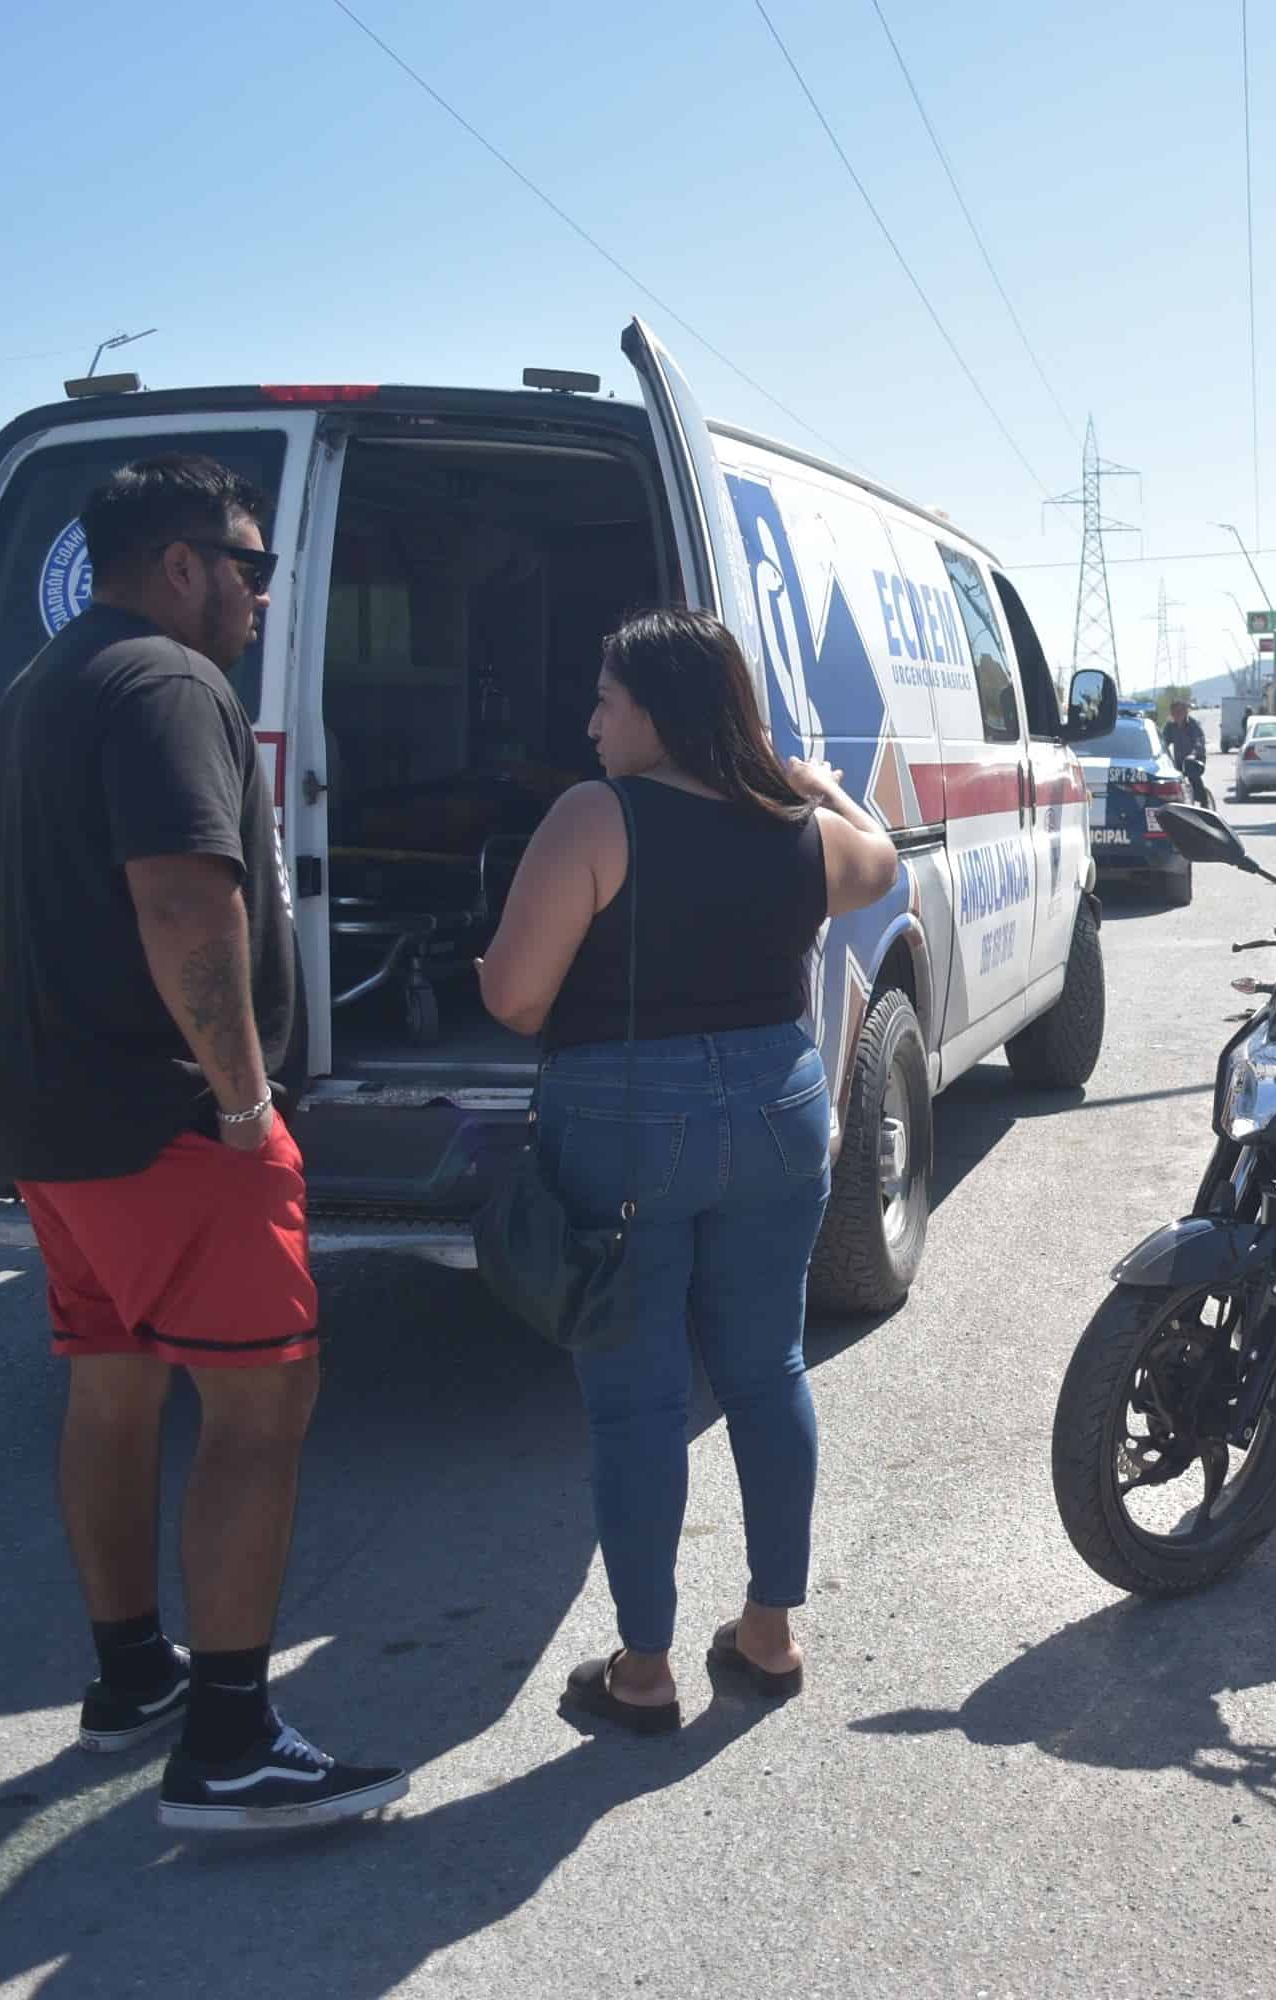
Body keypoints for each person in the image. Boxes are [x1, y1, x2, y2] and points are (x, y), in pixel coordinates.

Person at [0, 454, 405, 1831]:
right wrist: (241, 1100)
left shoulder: (44, 685)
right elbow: (182, 906)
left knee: (110, 1391)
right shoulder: (166, 684)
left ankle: (131, 1678)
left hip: (49, 1122)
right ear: (181, 567)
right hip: (166, 1124)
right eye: (253, 567)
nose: (266, 595)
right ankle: (227, 1742)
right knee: (263, 1406)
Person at [478, 607, 899, 1734]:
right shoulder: (796, 826)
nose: (591, 721)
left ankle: (645, 1667)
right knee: (767, 1370)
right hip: (778, 1108)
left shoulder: (594, 815)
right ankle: (768, 1632)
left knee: (637, 1402)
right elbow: (885, 861)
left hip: (623, 1121)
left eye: (606, 699)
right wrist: (822, 785)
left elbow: (515, 997)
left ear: (655, 710)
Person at [1160, 700, 1212, 807]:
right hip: (1179, 760)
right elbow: (1163, 742)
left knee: (1193, 775)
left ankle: (1204, 802)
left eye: (1180, 711)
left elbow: (1199, 740)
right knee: (1172, 781)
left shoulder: (1192, 724)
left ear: (1185, 712)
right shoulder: (1170, 726)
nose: (1177, 714)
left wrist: (1194, 753)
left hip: (1196, 758)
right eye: (1174, 712)